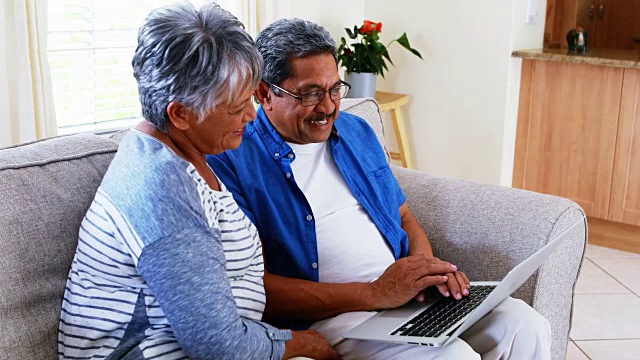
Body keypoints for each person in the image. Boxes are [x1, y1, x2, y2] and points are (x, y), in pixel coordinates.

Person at [207, 18, 552, 360]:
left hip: (403, 299)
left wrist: (423, 270)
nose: (327, 107)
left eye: (334, 89)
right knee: (454, 357)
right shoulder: (233, 158)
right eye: (311, 93)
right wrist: (375, 294)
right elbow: (257, 287)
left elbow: (403, 217)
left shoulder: (356, 132)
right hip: (337, 317)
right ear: (264, 93)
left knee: (525, 324)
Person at [57, 4, 339, 360]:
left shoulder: (180, 152)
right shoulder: (160, 190)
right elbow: (219, 346)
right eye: (236, 107)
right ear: (181, 114)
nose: (251, 115)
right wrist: (302, 343)